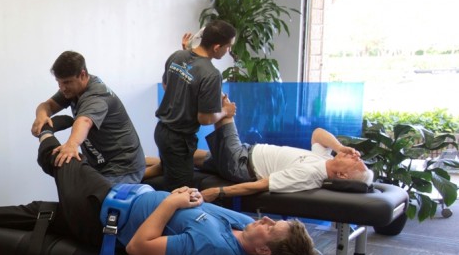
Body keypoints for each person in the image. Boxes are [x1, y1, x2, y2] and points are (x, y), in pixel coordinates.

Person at [0, 129, 316, 255]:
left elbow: (139, 247)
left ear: (264, 252)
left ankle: (45, 129)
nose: (265, 220)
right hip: (114, 203)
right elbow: (192, 200)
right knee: (36, 213)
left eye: (271, 227)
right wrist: (189, 196)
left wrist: (170, 204)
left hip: (103, 217)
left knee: (68, 161)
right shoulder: (234, 230)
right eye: (270, 220)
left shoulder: (213, 249)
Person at [145, 94, 374, 202]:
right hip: (246, 152)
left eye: (356, 162)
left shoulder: (311, 174)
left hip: (241, 164)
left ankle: (220, 106)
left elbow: (261, 184)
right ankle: (138, 168)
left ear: (342, 174)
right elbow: (318, 133)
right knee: (180, 158)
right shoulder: (322, 159)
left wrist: (219, 192)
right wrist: (341, 147)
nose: (355, 157)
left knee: (224, 108)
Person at [30, 51, 145, 184]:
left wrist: (71, 145)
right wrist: (41, 116)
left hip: (123, 166)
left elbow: (84, 120)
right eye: (59, 82)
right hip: (101, 162)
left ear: (83, 74)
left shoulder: (96, 96)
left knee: (94, 202)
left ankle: (146, 170)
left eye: (66, 82)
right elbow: (47, 105)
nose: (62, 88)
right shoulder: (73, 88)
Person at [155, 20, 238, 191]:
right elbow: (205, 118)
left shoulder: (178, 55)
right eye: (227, 47)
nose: (228, 51)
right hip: (179, 141)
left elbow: (166, 85)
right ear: (216, 47)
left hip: (162, 132)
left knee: (168, 180)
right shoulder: (212, 74)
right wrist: (225, 111)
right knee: (181, 193)